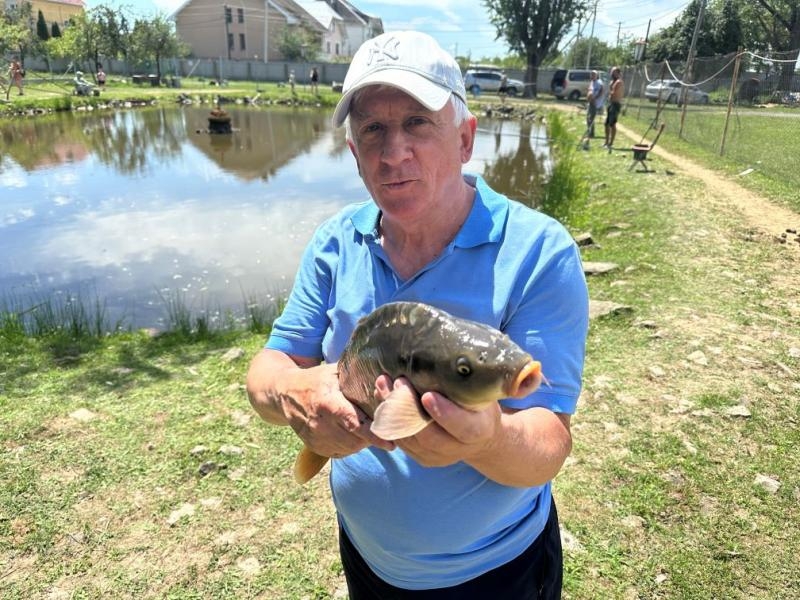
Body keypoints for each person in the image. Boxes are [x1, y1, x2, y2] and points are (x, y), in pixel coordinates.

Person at [246, 30, 589, 599]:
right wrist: (293, 393)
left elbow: (549, 442)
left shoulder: (538, 252)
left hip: (496, 574)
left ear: (464, 139)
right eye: (373, 129)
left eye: (417, 124)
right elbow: (267, 371)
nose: (392, 152)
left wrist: (486, 440)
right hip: (366, 559)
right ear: (354, 152)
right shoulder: (335, 242)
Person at [604, 66, 624, 149]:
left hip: (615, 104)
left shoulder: (619, 82)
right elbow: (610, 92)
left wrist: (609, 94)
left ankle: (611, 143)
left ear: (618, 73)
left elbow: (613, 93)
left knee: (612, 124)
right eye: (611, 72)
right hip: (611, 103)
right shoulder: (613, 82)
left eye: (614, 72)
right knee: (606, 124)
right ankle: (606, 142)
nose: (612, 73)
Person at [586, 70, 605, 139]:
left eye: (594, 74)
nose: (592, 75)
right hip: (590, 102)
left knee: (591, 118)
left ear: (597, 75)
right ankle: (589, 132)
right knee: (588, 118)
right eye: (591, 74)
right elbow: (590, 90)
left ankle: (591, 134)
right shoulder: (592, 82)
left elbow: (602, 91)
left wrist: (595, 98)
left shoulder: (599, 82)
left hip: (595, 103)